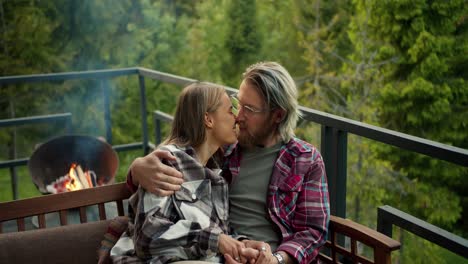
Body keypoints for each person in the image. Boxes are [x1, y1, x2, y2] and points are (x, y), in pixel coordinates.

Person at [127, 62, 330, 264]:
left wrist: (276, 259)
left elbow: (312, 232)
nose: (238, 115)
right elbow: (173, 181)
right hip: (220, 254)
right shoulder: (223, 148)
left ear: (278, 115)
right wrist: (136, 170)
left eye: (249, 109)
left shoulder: (305, 159)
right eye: (238, 103)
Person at [111, 82, 258, 263]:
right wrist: (216, 240)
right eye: (230, 111)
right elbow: (148, 238)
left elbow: (216, 237)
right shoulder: (167, 163)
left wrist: (241, 246)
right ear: (208, 119)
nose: (236, 117)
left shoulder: (217, 172)